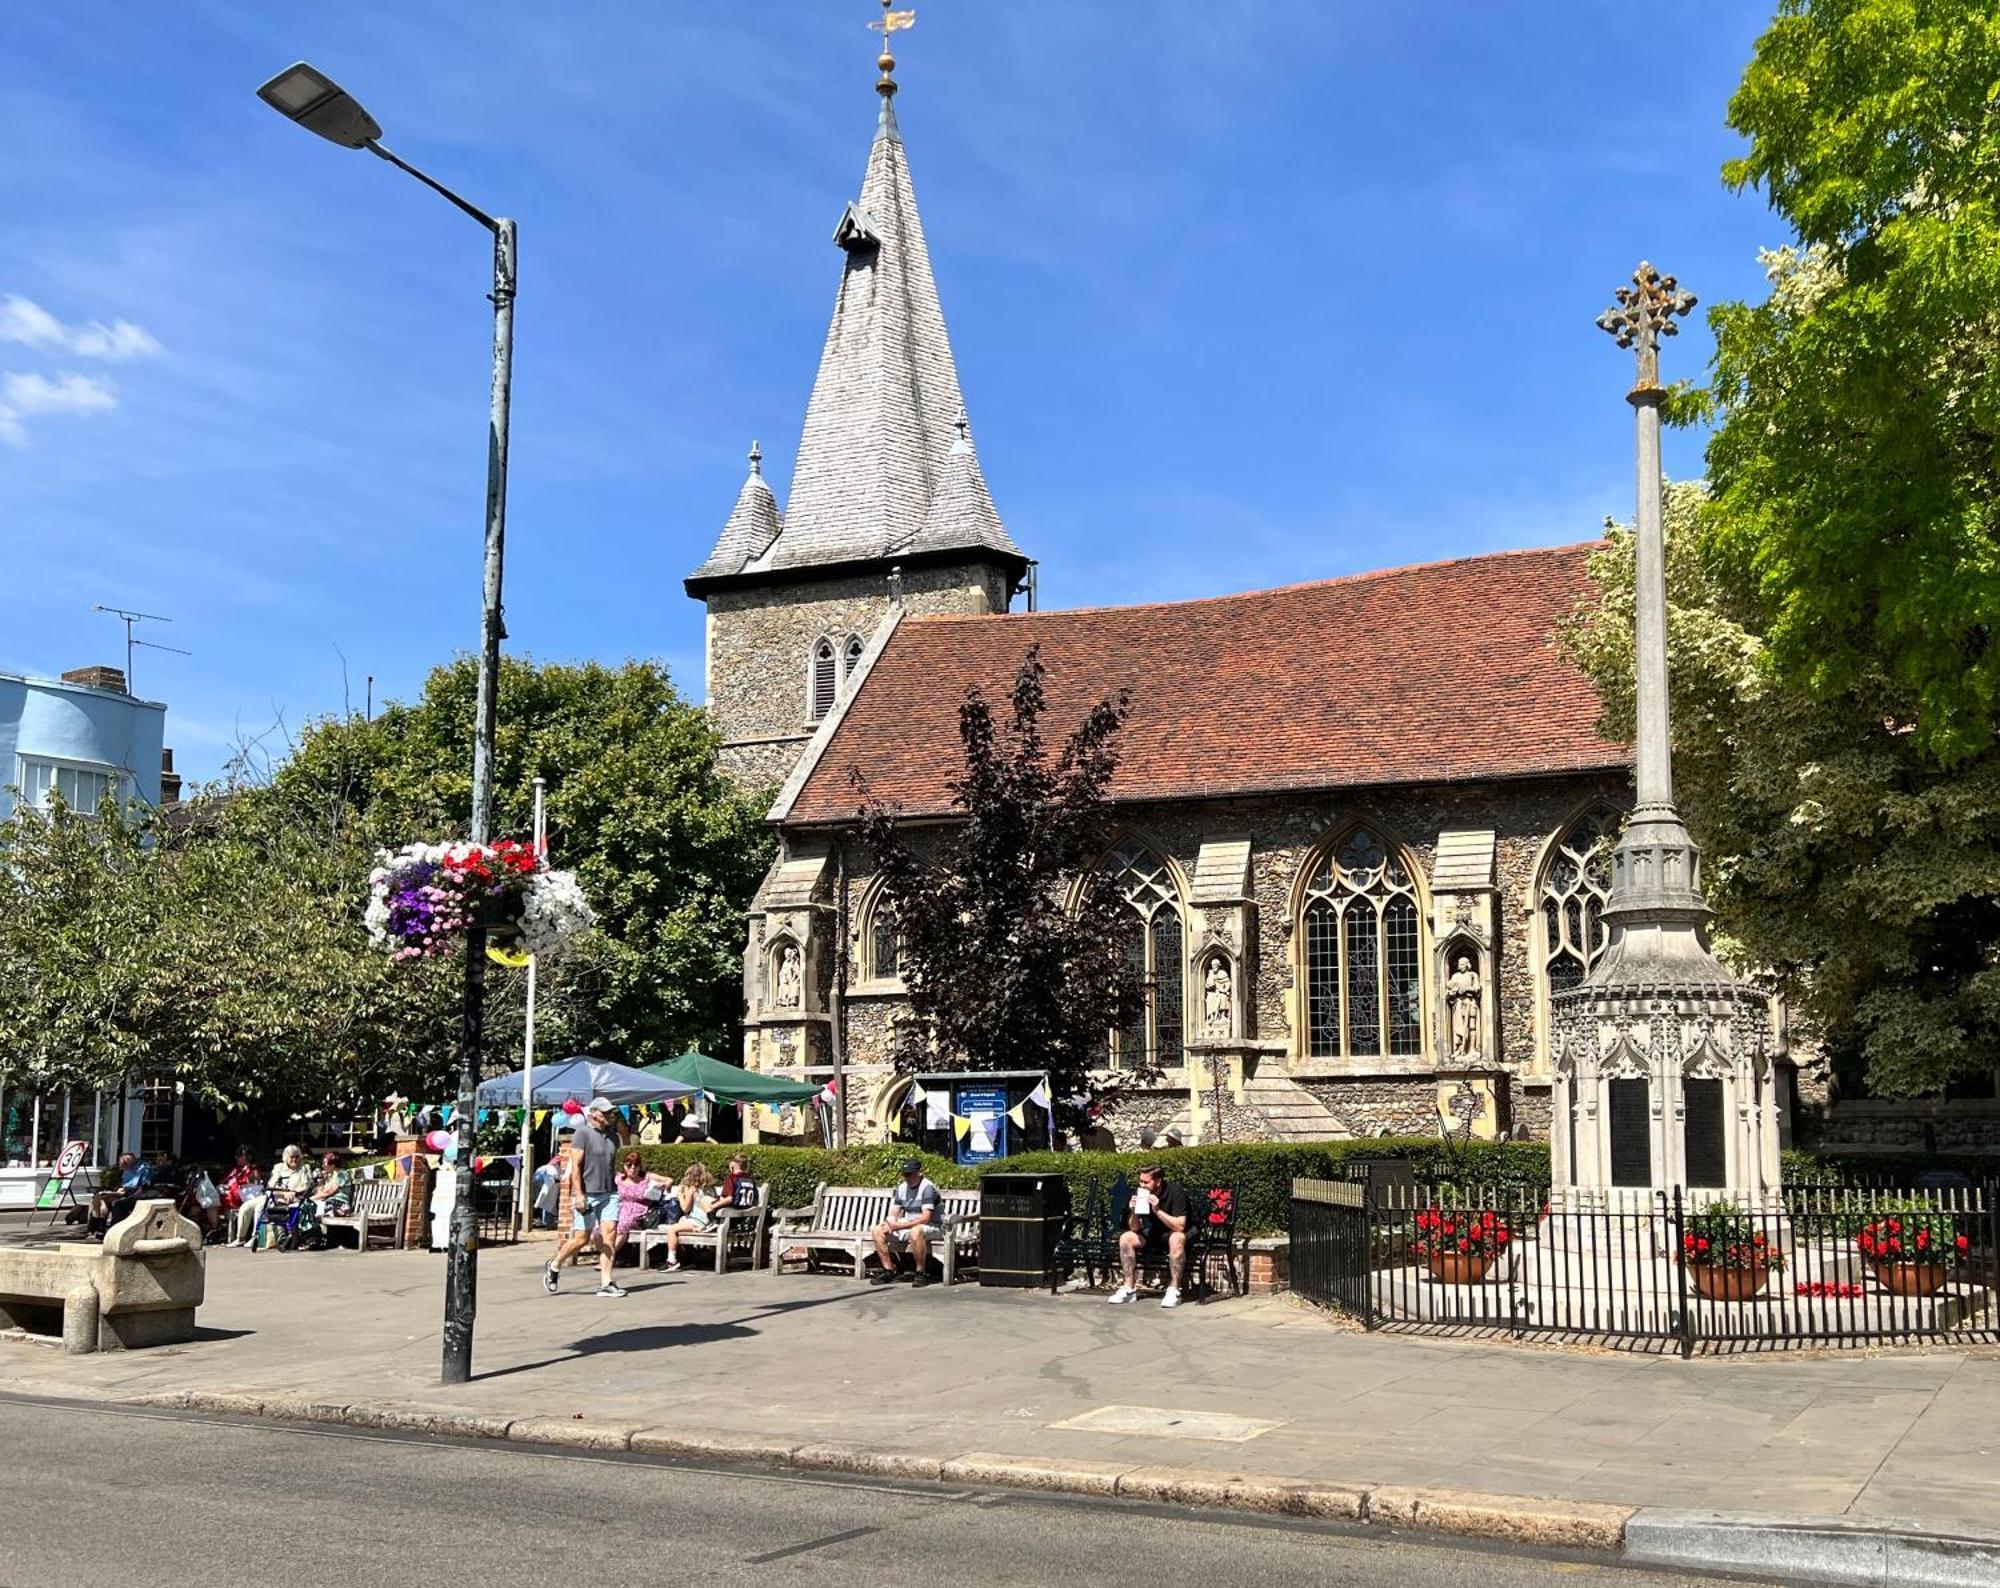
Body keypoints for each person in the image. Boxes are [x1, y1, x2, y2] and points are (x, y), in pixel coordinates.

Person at [543, 1098, 626, 1298]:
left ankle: (606, 1282)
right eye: (606, 1113)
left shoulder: (614, 1137)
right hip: (587, 1193)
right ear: (594, 1113)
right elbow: (576, 1166)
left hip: (610, 1192)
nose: (609, 1116)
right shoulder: (582, 1133)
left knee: (610, 1235)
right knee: (582, 1238)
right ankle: (554, 1265)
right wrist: (579, 1194)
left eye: (611, 1113)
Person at [1109, 1164, 1191, 1308]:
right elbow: (1134, 1227)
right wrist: (1134, 1211)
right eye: (1140, 1181)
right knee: (1126, 1237)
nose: (1142, 1185)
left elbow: (1180, 1226)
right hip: (1154, 1233)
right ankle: (1129, 1288)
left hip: (1177, 1234)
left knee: (1176, 1237)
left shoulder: (1175, 1192)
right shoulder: (1140, 1193)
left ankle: (1174, 1289)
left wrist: (1157, 1210)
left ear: (1158, 1181)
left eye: (1146, 1182)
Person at [870, 1158, 941, 1287]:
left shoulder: (927, 1188)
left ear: (919, 1172)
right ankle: (889, 1270)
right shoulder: (902, 1188)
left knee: (916, 1231)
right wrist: (890, 1223)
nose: (906, 1177)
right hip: (909, 1223)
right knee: (877, 1230)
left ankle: (921, 1272)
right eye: (904, 1174)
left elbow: (925, 1218)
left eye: (909, 1174)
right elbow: (894, 1212)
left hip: (933, 1225)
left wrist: (900, 1226)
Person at [239, 1145, 313, 1249]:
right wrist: (284, 1193)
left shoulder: (304, 1168)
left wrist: (294, 1192)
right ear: (286, 1157)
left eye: (297, 1156)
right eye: (292, 1157)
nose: (295, 1159)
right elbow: (272, 1184)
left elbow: (306, 1185)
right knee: (246, 1207)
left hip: (295, 1198)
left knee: (261, 1206)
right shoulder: (279, 1167)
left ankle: (255, 1236)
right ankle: (240, 1238)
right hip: (276, 1195)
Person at [655, 1163, 719, 1271]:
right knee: (681, 1220)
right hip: (707, 1221)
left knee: (672, 1230)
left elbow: (685, 1208)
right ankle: (689, 1257)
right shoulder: (710, 1188)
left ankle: (671, 1260)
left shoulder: (692, 1189)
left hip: (698, 1221)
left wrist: (680, 1194)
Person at [84, 1152, 152, 1236]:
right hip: (122, 1192)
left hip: (131, 1194)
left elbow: (143, 1187)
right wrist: (117, 1190)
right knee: (99, 1199)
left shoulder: (143, 1169)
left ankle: (96, 1228)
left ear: (127, 1162)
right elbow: (122, 1183)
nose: (121, 1167)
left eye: (123, 1164)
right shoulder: (125, 1170)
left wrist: (125, 1191)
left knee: (100, 1199)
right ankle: (98, 1229)